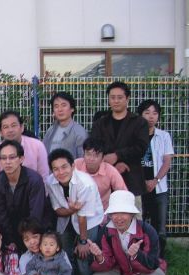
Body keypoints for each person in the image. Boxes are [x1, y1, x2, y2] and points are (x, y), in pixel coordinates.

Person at [89, 190, 166, 275]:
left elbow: (153, 263)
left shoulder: (147, 230)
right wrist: (99, 257)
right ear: (110, 215)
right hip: (123, 272)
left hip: (146, 272)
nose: (118, 218)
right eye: (115, 213)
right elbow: (108, 263)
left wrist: (137, 255)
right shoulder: (106, 231)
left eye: (123, 213)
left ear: (132, 214)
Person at [45, 148, 104, 275]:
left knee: (83, 255)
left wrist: (83, 241)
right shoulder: (50, 182)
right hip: (66, 218)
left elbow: (83, 216)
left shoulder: (86, 184)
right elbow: (58, 210)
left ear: (73, 166)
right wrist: (72, 210)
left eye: (64, 167)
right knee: (64, 252)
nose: (60, 172)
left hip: (89, 220)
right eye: (56, 169)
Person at [90, 81, 149, 210]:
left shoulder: (139, 122)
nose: (116, 101)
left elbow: (141, 148)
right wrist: (113, 165)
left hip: (132, 181)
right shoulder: (100, 124)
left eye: (120, 97)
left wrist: (118, 156)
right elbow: (94, 147)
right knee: (105, 219)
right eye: (112, 97)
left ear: (127, 98)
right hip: (105, 183)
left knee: (133, 217)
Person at [0, 140, 50, 249]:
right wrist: (10, 240)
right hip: (11, 234)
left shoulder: (34, 180)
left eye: (12, 157)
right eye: (3, 158)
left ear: (21, 159)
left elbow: (36, 214)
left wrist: (28, 239)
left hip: (36, 233)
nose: (8, 162)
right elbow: (1, 215)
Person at [0, 110, 49, 205]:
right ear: (0, 132)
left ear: (22, 127)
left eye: (14, 125)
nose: (10, 130)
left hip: (34, 200)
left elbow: (44, 178)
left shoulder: (37, 146)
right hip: (6, 204)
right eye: (5, 127)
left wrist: (40, 205)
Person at [137, 99, 174, 258]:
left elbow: (167, 162)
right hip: (138, 187)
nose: (151, 116)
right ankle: (141, 257)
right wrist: (142, 182)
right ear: (140, 115)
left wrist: (155, 180)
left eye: (154, 113)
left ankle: (159, 259)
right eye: (147, 113)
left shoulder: (164, 136)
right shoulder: (135, 136)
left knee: (160, 228)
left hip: (159, 188)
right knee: (139, 225)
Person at [74, 137, 127, 211]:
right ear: (83, 154)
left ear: (103, 158)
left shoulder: (110, 170)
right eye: (88, 154)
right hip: (77, 209)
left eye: (96, 155)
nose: (91, 159)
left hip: (103, 211)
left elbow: (123, 193)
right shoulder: (75, 165)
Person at [42, 92, 88, 158]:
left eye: (64, 105)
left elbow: (83, 159)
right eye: (56, 106)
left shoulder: (79, 133)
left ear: (72, 109)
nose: (60, 109)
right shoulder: (50, 130)